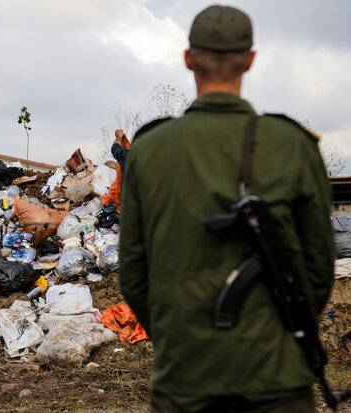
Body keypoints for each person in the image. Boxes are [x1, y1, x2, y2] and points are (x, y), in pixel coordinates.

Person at [119, 5, 334, 413]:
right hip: (276, 376)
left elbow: (133, 271)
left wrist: (175, 339)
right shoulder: (291, 145)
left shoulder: (149, 149)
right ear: (250, 60)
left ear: (188, 59)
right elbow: (319, 267)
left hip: (185, 377)